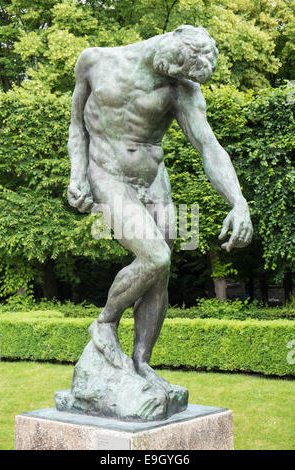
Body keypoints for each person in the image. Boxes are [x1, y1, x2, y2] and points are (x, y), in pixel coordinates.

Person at [67, 25, 253, 389]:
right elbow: (77, 127)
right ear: (172, 35)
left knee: (159, 274)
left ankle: (141, 364)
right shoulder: (94, 60)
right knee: (155, 258)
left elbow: (208, 146)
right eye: (173, 68)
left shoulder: (182, 87)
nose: (172, 77)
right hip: (108, 175)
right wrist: (78, 174)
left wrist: (238, 200)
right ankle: (105, 321)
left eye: (179, 74)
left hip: (155, 182)